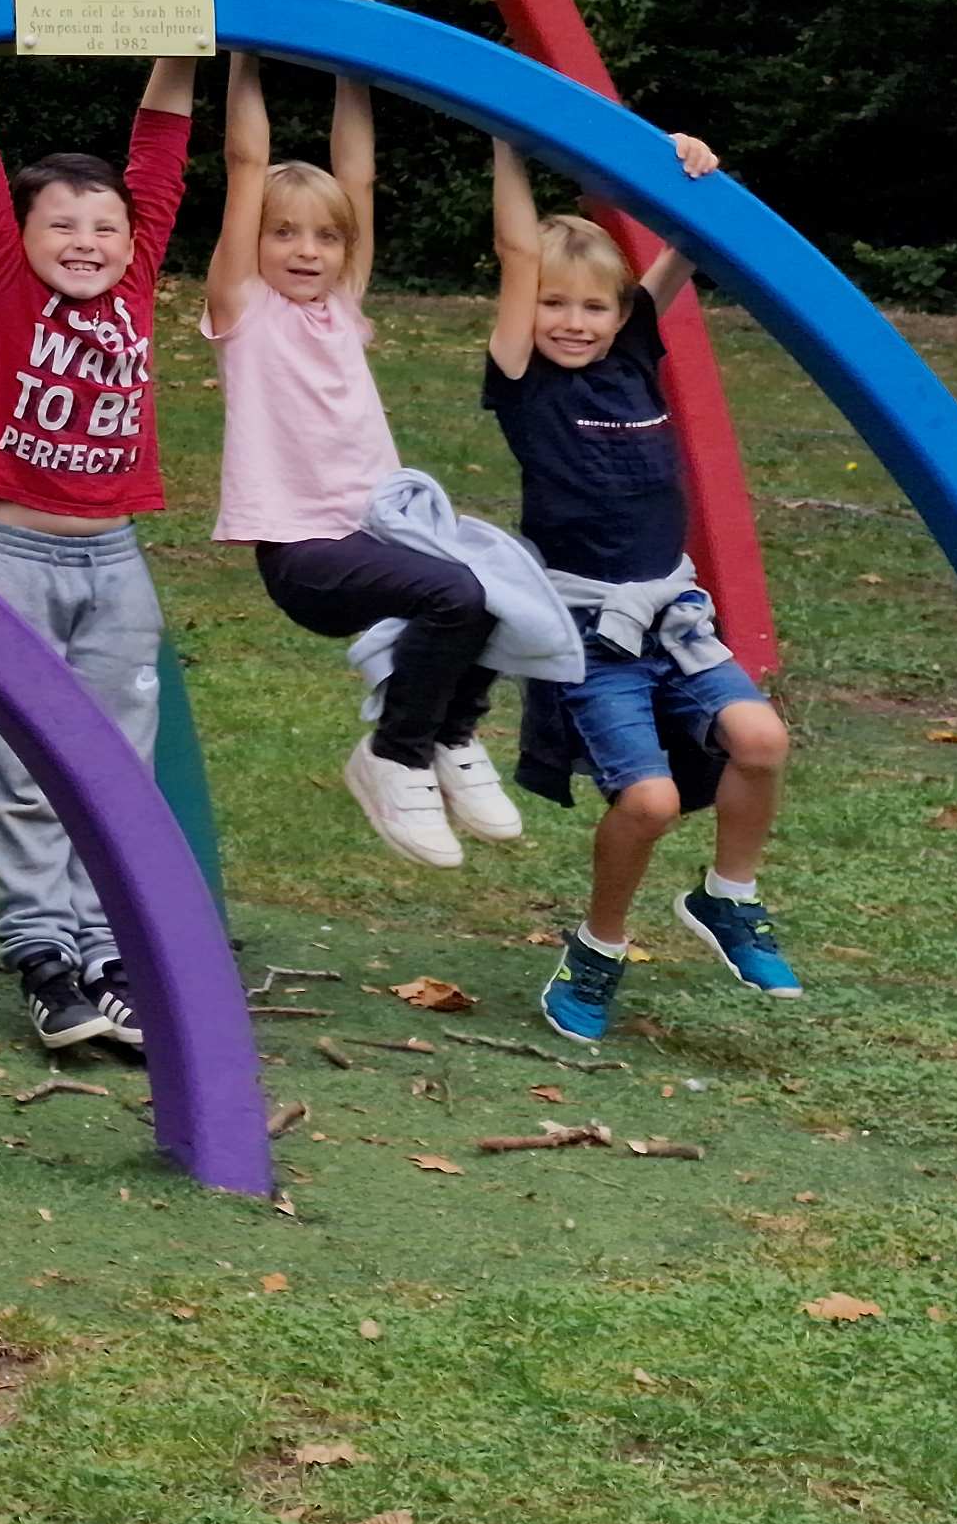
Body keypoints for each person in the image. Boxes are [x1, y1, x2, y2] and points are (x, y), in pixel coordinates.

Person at [0, 0, 196, 1058]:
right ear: (23, 235)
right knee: (12, 764)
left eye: (105, 225)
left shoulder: (132, 291)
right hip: (6, 556)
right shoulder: (4, 274)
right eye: (62, 224)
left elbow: (163, 148)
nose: (86, 241)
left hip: (115, 561)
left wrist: (181, 26)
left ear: (133, 241)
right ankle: (45, 956)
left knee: (112, 768)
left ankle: (106, 953)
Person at [488, 133, 799, 1037]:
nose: (574, 322)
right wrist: (511, 142)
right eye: (552, 303)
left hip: (673, 610)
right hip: (590, 631)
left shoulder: (630, 353)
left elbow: (684, 248)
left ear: (619, 314)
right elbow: (515, 252)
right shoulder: (524, 380)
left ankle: (727, 898)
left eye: (593, 306)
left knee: (762, 739)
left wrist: (685, 166)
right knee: (650, 801)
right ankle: (598, 947)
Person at [207, 53, 527, 868]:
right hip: (306, 554)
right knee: (456, 595)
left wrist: (350, 68)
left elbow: (360, 175)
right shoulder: (246, 311)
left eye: (324, 236)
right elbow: (247, 161)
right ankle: (393, 755)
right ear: (255, 240)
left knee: (497, 585)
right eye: (283, 232)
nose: (307, 251)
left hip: (381, 535)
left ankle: (449, 736)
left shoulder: (343, 308)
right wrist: (246, 53)